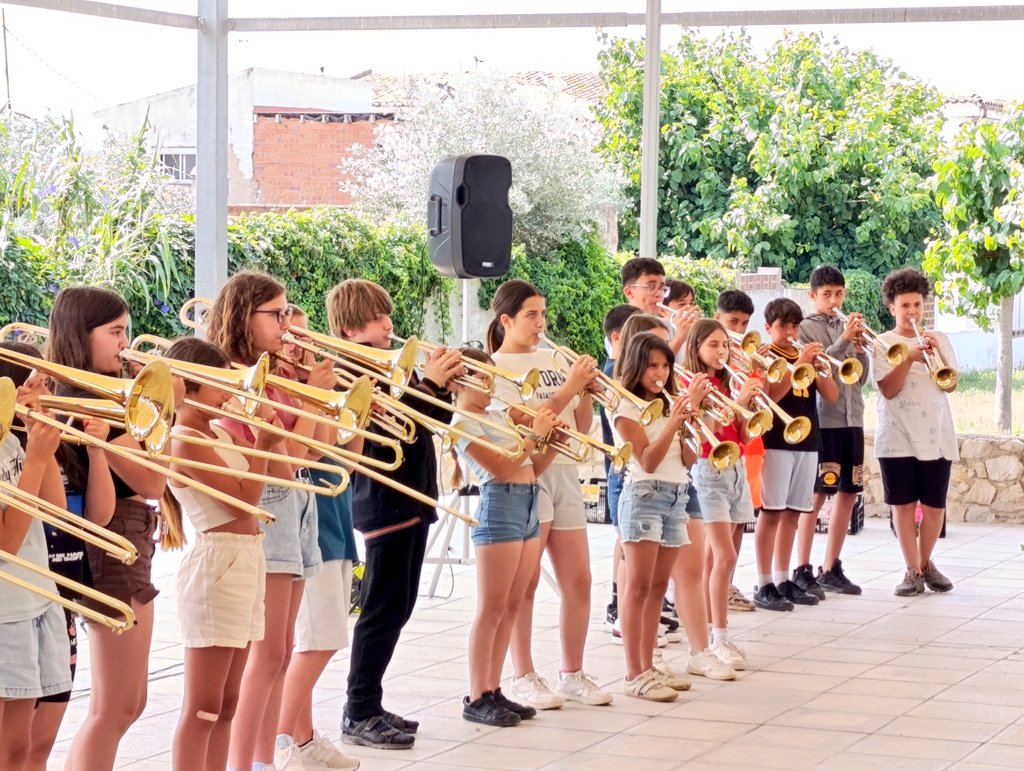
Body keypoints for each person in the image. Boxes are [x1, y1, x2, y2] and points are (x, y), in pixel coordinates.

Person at [330, 278, 464, 750]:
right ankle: (359, 708)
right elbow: (393, 429)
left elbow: (430, 422)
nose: (388, 325)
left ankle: (370, 700)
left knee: (399, 608)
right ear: (349, 329)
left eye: (386, 315)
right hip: (384, 502)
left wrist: (442, 388)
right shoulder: (349, 373)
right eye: (375, 318)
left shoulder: (390, 365)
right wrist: (429, 384)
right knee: (381, 610)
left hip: (414, 497)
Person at [209, 271, 335, 771]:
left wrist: (314, 392)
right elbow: (286, 459)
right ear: (246, 316)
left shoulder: (275, 370)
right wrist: (308, 398)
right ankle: (246, 762)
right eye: (276, 314)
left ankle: (267, 758)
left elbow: (318, 447)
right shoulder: (239, 377)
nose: (287, 323)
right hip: (274, 501)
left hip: (298, 504)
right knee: (265, 656)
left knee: (282, 651)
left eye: (288, 312)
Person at [55, 287, 170, 771]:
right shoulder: (85, 399)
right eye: (115, 332)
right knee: (114, 706)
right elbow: (151, 479)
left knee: (129, 702)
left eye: (126, 329)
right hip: (111, 539)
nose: (126, 343)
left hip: (129, 534)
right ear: (81, 337)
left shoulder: (113, 392)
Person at [488, 279, 613, 710]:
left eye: (542, 314)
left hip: (563, 472)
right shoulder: (495, 367)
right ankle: (522, 674)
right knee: (523, 585)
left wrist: (586, 391)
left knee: (579, 578)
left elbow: (578, 427)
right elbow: (526, 425)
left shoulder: (554, 358)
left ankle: (572, 673)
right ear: (506, 320)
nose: (540, 323)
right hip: (527, 474)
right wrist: (567, 387)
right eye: (530, 315)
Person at [164, 337, 284, 771]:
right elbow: (243, 502)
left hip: (245, 557)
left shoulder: (213, 431)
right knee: (203, 707)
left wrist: (263, 442)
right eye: (220, 385)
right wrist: (263, 445)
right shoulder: (185, 440)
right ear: (189, 386)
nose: (230, 395)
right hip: (219, 562)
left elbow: (266, 485)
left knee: (228, 702)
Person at [450, 347, 563, 726]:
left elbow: (532, 464)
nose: (487, 384)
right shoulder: (462, 423)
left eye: (489, 376)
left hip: (529, 499)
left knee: (514, 602)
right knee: (492, 606)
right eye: (478, 377)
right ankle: (477, 693)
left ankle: (494, 688)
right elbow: (499, 466)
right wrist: (534, 436)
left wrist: (548, 440)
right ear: (456, 381)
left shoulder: (498, 415)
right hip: (501, 504)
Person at [277, 306, 361, 770]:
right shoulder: (267, 388)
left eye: (306, 339)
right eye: (291, 337)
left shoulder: (309, 385)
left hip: (330, 514)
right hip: (302, 521)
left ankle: (302, 740)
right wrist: (311, 398)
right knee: (318, 639)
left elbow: (336, 456)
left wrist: (345, 408)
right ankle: (281, 739)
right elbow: (299, 454)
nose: (299, 348)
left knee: (316, 636)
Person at [612, 332, 703, 701]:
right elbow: (647, 459)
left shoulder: (668, 404)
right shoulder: (626, 406)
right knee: (637, 587)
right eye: (652, 365)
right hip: (643, 495)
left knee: (657, 589)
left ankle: (649, 665)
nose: (660, 373)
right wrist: (673, 421)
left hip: (676, 493)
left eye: (665, 366)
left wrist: (690, 422)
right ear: (637, 366)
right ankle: (634, 673)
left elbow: (689, 458)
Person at [873, 268, 958, 597]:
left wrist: (933, 353)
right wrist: (908, 358)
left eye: (917, 305)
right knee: (903, 506)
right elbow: (888, 390)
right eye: (905, 305)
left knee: (935, 506)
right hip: (896, 435)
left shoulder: (940, 340)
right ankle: (911, 569)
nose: (912, 312)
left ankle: (925, 564)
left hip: (937, 433)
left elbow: (949, 383)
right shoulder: (882, 342)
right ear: (892, 307)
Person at [682, 319, 760, 672]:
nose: (722, 352)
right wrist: (734, 402)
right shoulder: (695, 385)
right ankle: (716, 638)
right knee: (723, 558)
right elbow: (702, 435)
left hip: (735, 469)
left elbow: (742, 435)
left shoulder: (728, 382)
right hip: (707, 471)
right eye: (713, 345)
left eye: (725, 345)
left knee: (721, 560)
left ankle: (718, 635)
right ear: (696, 348)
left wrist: (749, 406)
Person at [0, 383, 70, 771]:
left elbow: (55, 508)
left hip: (35, 600)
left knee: (18, 747)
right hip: (5, 610)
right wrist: (36, 461)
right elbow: (6, 541)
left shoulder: (9, 437)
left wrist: (37, 436)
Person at [752, 298, 838, 612]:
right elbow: (769, 397)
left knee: (792, 514)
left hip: (807, 439)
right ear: (768, 328)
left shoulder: (805, 355)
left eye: (794, 325)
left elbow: (832, 395)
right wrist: (800, 363)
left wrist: (819, 367)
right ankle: (763, 583)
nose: (790, 331)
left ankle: (782, 577)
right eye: (782, 326)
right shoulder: (765, 356)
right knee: (771, 512)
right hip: (775, 440)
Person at [794, 266, 869, 597]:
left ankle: (831, 566)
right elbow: (821, 364)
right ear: (813, 296)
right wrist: (843, 341)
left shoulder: (849, 329)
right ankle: (802, 566)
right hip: (826, 420)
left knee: (849, 493)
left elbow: (859, 378)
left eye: (839, 293)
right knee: (818, 494)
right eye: (827, 294)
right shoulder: (805, 329)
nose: (834, 300)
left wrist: (863, 349)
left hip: (854, 418)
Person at [712, 290, 760, 612]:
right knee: (717, 535)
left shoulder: (742, 357)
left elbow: (756, 404)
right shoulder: (709, 362)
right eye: (732, 323)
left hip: (741, 449)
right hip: (711, 456)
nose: (738, 331)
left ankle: (726, 585)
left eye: (744, 324)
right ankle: (712, 591)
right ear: (717, 319)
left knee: (740, 520)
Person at [599, 305, 640, 628]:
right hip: (623, 468)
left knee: (632, 543)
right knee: (628, 543)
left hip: (636, 469)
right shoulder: (614, 370)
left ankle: (628, 606)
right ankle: (620, 606)